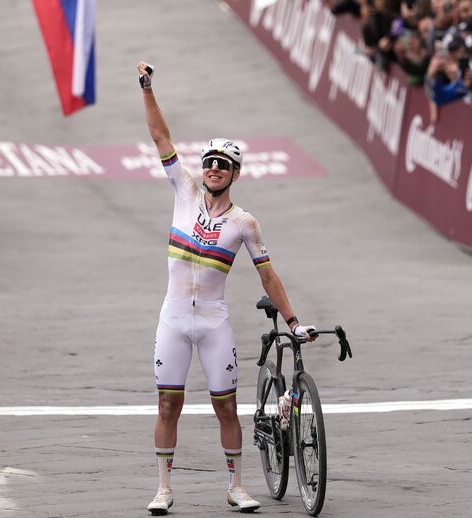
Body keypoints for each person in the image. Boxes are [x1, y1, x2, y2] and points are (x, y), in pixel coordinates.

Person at [138, 62, 316, 515]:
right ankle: (163, 488)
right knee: (167, 406)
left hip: (214, 321)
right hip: (174, 319)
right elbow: (161, 138)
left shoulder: (244, 224)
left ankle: (236, 487)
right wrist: (147, 89)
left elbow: (268, 276)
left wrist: (293, 322)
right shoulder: (184, 190)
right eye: (211, 163)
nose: (215, 169)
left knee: (226, 408)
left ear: (235, 175)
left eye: (225, 165)